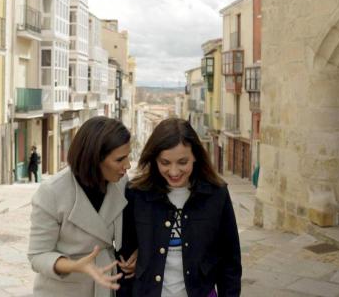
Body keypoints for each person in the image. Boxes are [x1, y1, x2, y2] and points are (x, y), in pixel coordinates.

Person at [118, 118, 241, 297]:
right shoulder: (136, 195)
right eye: (165, 163)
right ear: (154, 160)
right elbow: (124, 261)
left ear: (195, 156)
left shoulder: (217, 195)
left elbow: (230, 262)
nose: (174, 172)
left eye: (182, 162)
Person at [28, 116, 132, 297]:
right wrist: (75, 265)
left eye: (128, 157)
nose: (128, 165)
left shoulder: (121, 183)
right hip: (63, 289)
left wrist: (136, 254)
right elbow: (37, 256)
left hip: (106, 286)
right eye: (119, 160)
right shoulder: (52, 192)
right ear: (95, 159)